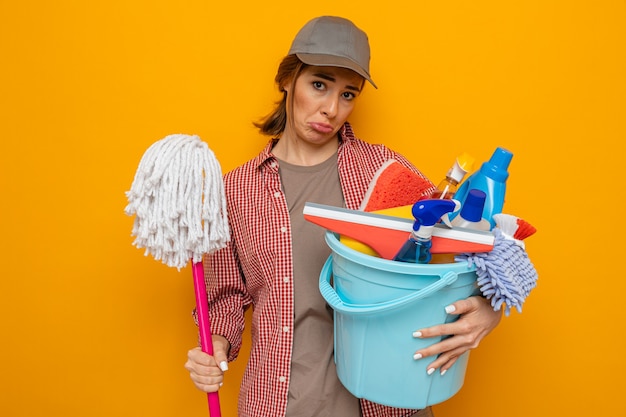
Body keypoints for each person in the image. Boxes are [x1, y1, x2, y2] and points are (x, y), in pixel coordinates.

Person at [185, 16, 502, 417]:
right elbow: (227, 297)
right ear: (287, 80)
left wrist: (490, 309)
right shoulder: (236, 190)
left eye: (348, 94)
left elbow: (462, 249)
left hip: (390, 400)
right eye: (319, 85)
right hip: (280, 402)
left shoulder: (384, 171)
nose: (332, 109)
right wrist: (214, 347)